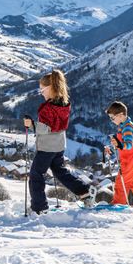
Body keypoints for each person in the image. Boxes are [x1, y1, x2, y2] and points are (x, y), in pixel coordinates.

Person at [24, 70, 93, 214]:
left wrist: (31, 124)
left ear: (51, 88)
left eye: (42, 89)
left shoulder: (47, 108)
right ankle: (84, 192)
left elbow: (47, 128)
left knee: (36, 174)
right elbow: (57, 125)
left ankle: (39, 206)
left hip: (47, 148)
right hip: (59, 146)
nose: (41, 92)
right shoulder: (64, 104)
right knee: (61, 171)